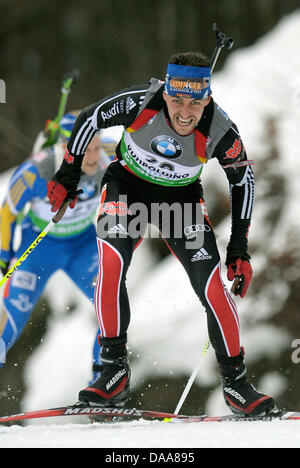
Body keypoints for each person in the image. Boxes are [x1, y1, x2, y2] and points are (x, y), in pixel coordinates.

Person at [47, 52, 276, 416]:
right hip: (127, 189)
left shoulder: (219, 127)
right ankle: (113, 372)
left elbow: (243, 180)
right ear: (166, 93)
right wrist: (68, 175)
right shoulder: (141, 102)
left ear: (208, 99)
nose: (186, 113)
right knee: (110, 263)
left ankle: (236, 384)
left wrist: (239, 248)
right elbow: (92, 117)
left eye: (196, 103)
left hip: (180, 200)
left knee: (213, 287)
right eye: (178, 101)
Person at [0, 111, 117, 384]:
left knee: (111, 306)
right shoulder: (36, 171)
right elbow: (7, 214)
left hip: (83, 246)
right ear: (66, 147)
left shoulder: (110, 153)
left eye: (96, 146)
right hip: (39, 248)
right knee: (10, 322)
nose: (92, 157)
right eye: (85, 150)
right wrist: (4, 255)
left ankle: (102, 384)